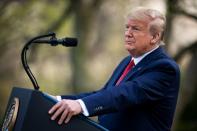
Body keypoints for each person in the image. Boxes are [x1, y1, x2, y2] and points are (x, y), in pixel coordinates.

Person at [48, 7, 180, 131]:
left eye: (135, 29)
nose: (128, 33)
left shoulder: (164, 67)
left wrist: (81, 105)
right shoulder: (127, 61)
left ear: (155, 37)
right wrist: (57, 100)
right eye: (127, 27)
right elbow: (106, 92)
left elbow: (125, 93)